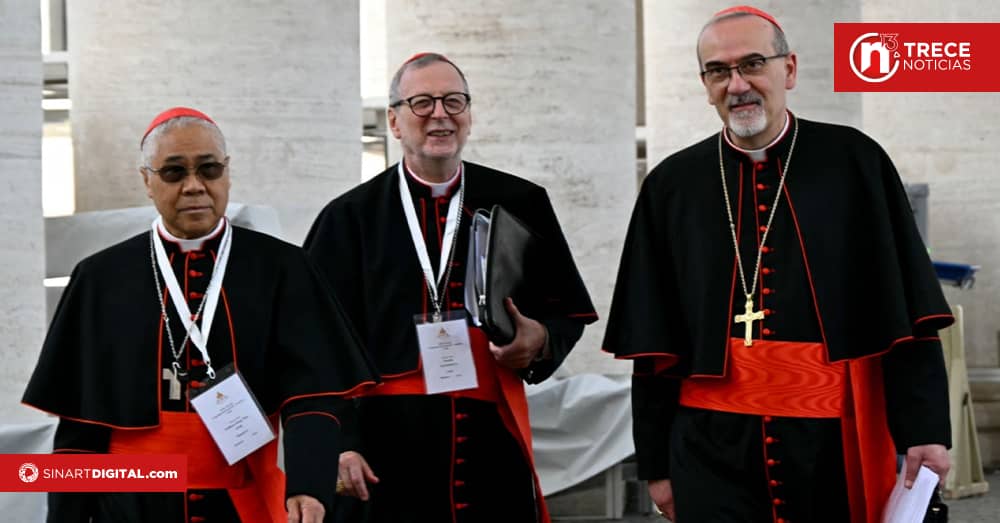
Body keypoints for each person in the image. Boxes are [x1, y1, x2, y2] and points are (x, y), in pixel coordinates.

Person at [602, 6, 953, 522]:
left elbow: (907, 310)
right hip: (708, 447)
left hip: (830, 445)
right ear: (706, 85)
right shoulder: (671, 186)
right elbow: (653, 342)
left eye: (752, 64)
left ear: (788, 70)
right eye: (719, 71)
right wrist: (656, 463)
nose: (737, 84)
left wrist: (925, 432)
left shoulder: (854, 161)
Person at [23, 107, 378, 523]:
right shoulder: (100, 278)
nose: (194, 186)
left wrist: (308, 487)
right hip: (131, 504)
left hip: (239, 502)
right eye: (174, 173)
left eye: (209, 169)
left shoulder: (282, 268)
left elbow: (311, 395)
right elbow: (79, 426)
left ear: (227, 174)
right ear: (147, 181)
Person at [304, 53, 597, 523]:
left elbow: (567, 313)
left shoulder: (522, 202)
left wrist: (539, 340)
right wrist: (339, 443)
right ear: (395, 122)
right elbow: (312, 347)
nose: (440, 114)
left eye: (453, 101)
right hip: (383, 454)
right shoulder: (348, 218)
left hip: (491, 448)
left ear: (469, 114)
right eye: (422, 103)